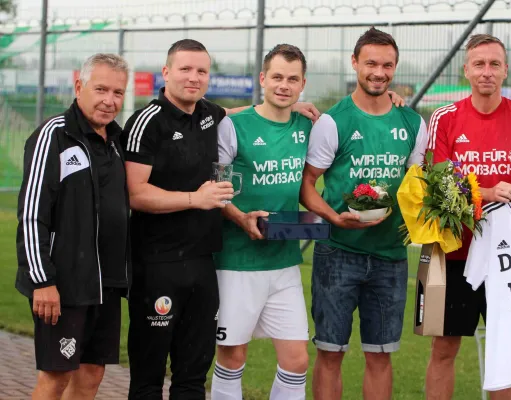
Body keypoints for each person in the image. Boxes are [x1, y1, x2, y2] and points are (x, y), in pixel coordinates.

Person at [122, 39, 322, 400]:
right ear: (166, 72)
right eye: (185, 69)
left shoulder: (210, 114)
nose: (193, 77)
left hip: (209, 261)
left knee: (195, 372)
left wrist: (290, 104)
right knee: (155, 373)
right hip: (169, 262)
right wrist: (206, 203)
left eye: (201, 71)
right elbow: (135, 193)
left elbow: (234, 113)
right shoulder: (148, 120)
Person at [425, 33, 511, 400]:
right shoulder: (445, 118)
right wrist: (487, 194)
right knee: (443, 349)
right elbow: (435, 191)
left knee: (507, 350)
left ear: (506, 70)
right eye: (479, 64)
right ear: (466, 71)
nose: (486, 72)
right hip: (451, 251)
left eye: (494, 64)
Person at [300, 27, 429, 400]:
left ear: (395, 68)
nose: (379, 72)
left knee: (380, 357)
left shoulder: (412, 123)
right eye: (371, 62)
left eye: (387, 65)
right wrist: (333, 217)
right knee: (329, 353)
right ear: (354, 62)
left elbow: (414, 184)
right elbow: (307, 186)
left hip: (390, 256)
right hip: (338, 251)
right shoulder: (333, 121)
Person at [15, 53, 130, 400]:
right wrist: (42, 281)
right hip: (63, 285)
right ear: (79, 85)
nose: (110, 101)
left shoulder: (117, 140)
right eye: (101, 89)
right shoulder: (54, 135)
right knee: (56, 377)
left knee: (92, 374)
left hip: (106, 284)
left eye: (118, 93)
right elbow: (33, 213)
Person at [210, 43, 312, 400]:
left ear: (303, 85)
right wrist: (241, 218)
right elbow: (216, 188)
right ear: (263, 79)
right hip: (236, 261)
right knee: (233, 356)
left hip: (284, 261)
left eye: (293, 79)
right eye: (278, 77)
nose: (284, 85)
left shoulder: (308, 125)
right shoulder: (232, 126)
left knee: (297, 360)